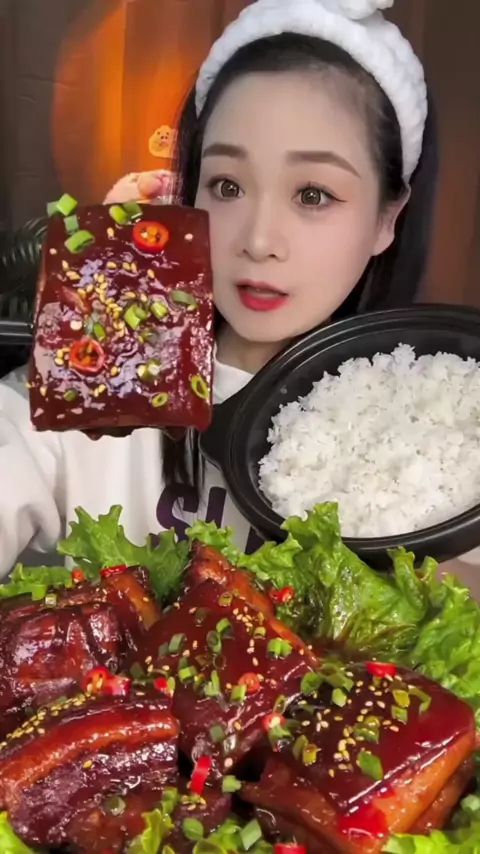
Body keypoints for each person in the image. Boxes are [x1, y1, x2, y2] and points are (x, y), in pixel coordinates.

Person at [0, 0, 439, 576]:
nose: (258, 240)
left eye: (313, 195)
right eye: (227, 186)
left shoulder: (432, 438)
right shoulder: (107, 369)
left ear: (387, 218)